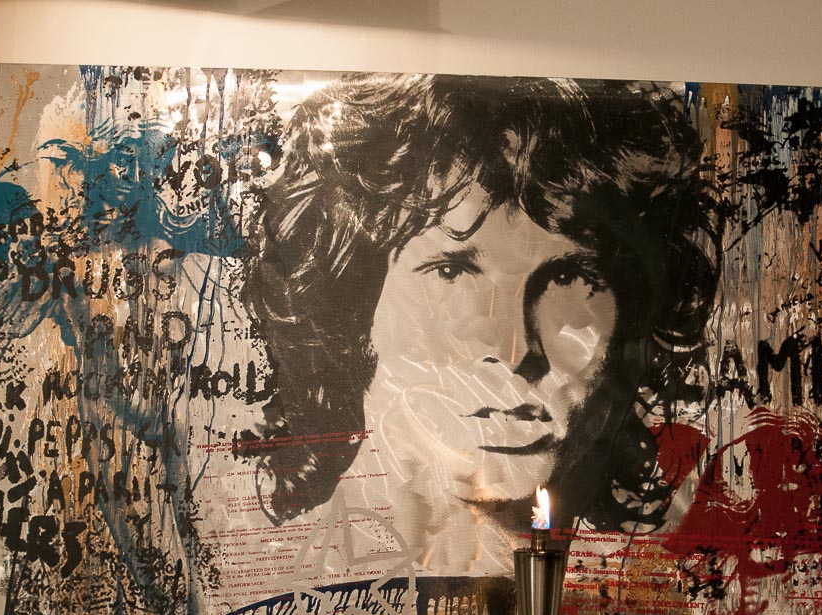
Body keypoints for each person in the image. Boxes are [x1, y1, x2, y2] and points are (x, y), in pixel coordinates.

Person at [235, 72, 721, 578]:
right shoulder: (288, 584)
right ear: (351, 316)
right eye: (450, 272)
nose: (512, 352)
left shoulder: (658, 586)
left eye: (568, 276)